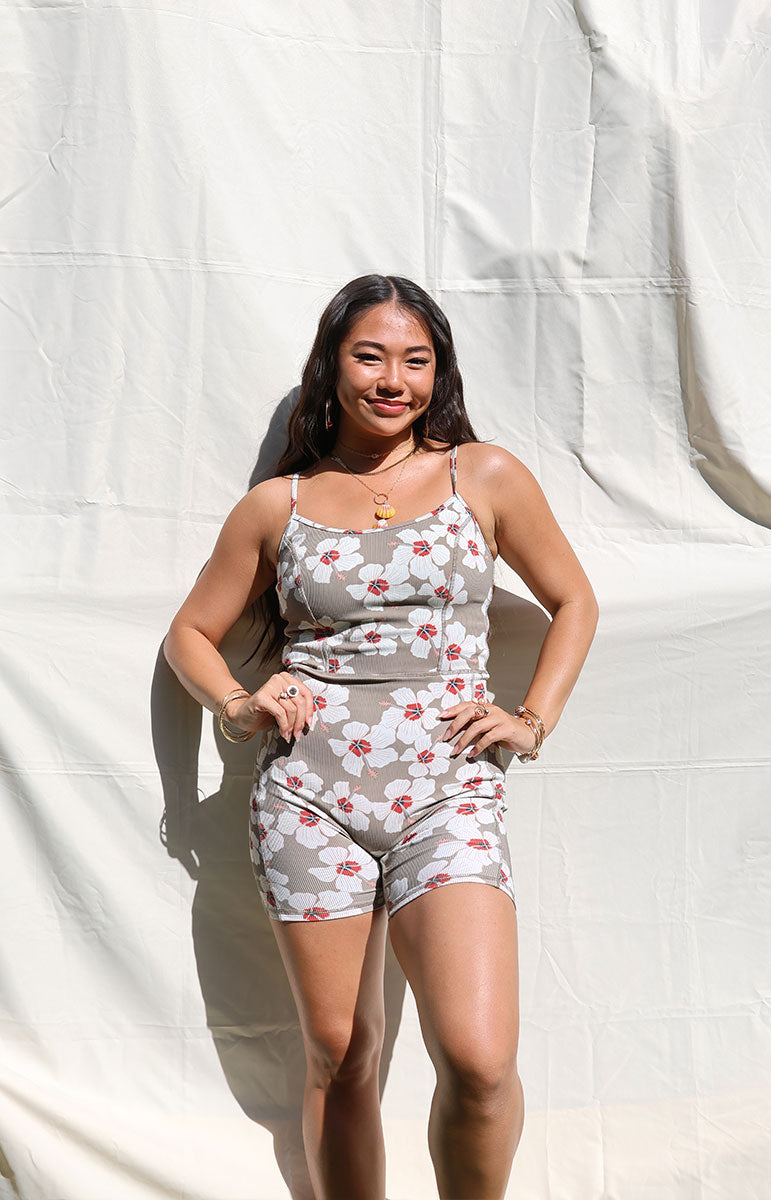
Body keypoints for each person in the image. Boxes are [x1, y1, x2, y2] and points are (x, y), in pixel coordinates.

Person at [163, 274, 599, 1200]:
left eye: (415, 358)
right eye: (369, 355)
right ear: (333, 366)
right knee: (338, 1055)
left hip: (448, 792)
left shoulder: (479, 474)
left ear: (437, 371)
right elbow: (187, 636)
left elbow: (574, 600)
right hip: (307, 801)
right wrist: (239, 707)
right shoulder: (275, 505)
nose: (392, 377)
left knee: (479, 1062)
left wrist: (529, 720)